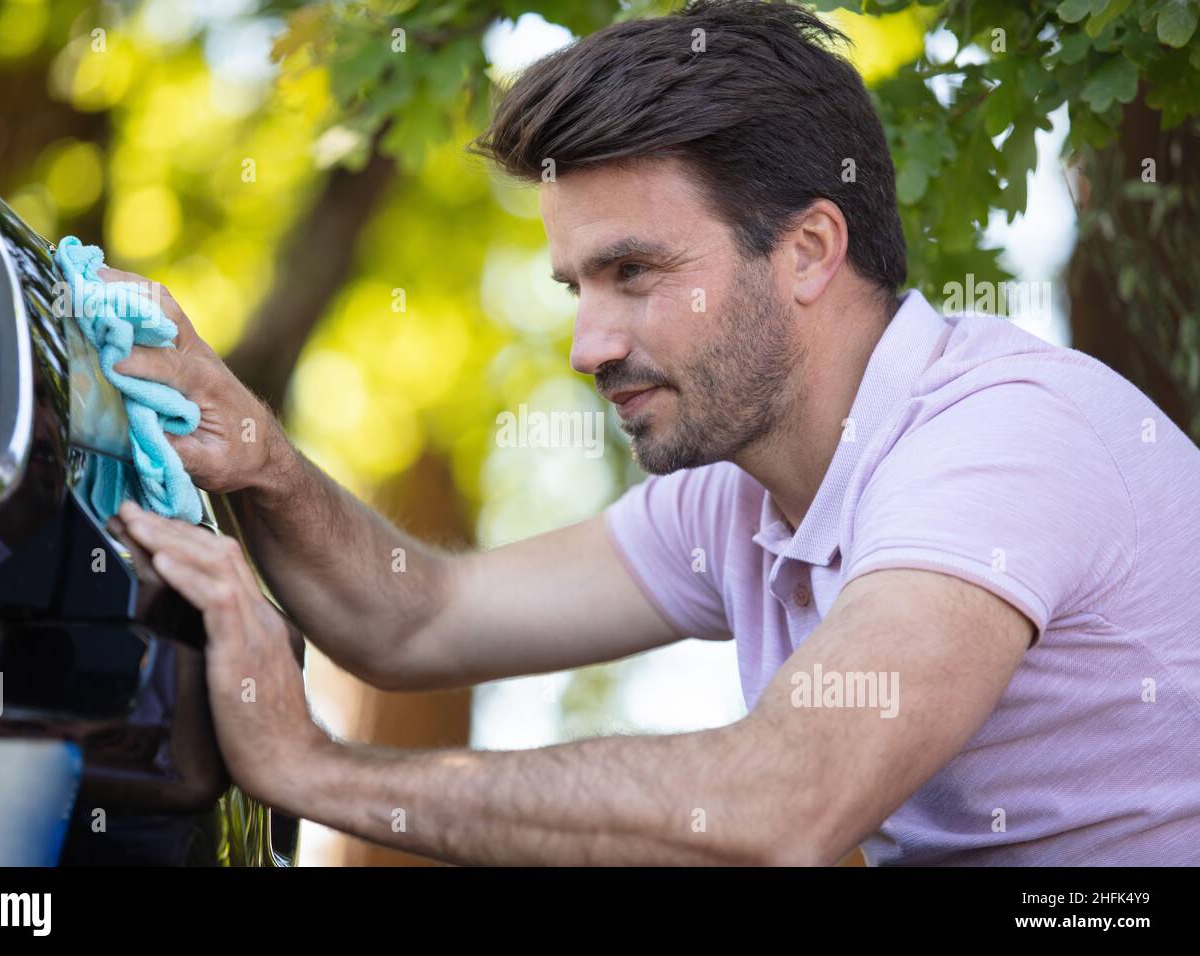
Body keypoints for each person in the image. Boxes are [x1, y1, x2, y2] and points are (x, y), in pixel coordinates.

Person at [106, 0, 1200, 865]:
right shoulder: (737, 490)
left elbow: (781, 804)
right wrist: (265, 463)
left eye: (634, 272)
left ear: (811, 248)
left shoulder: (997, 441)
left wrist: (318, 771)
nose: (587, 344)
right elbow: (419, 619)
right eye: (577, 284)